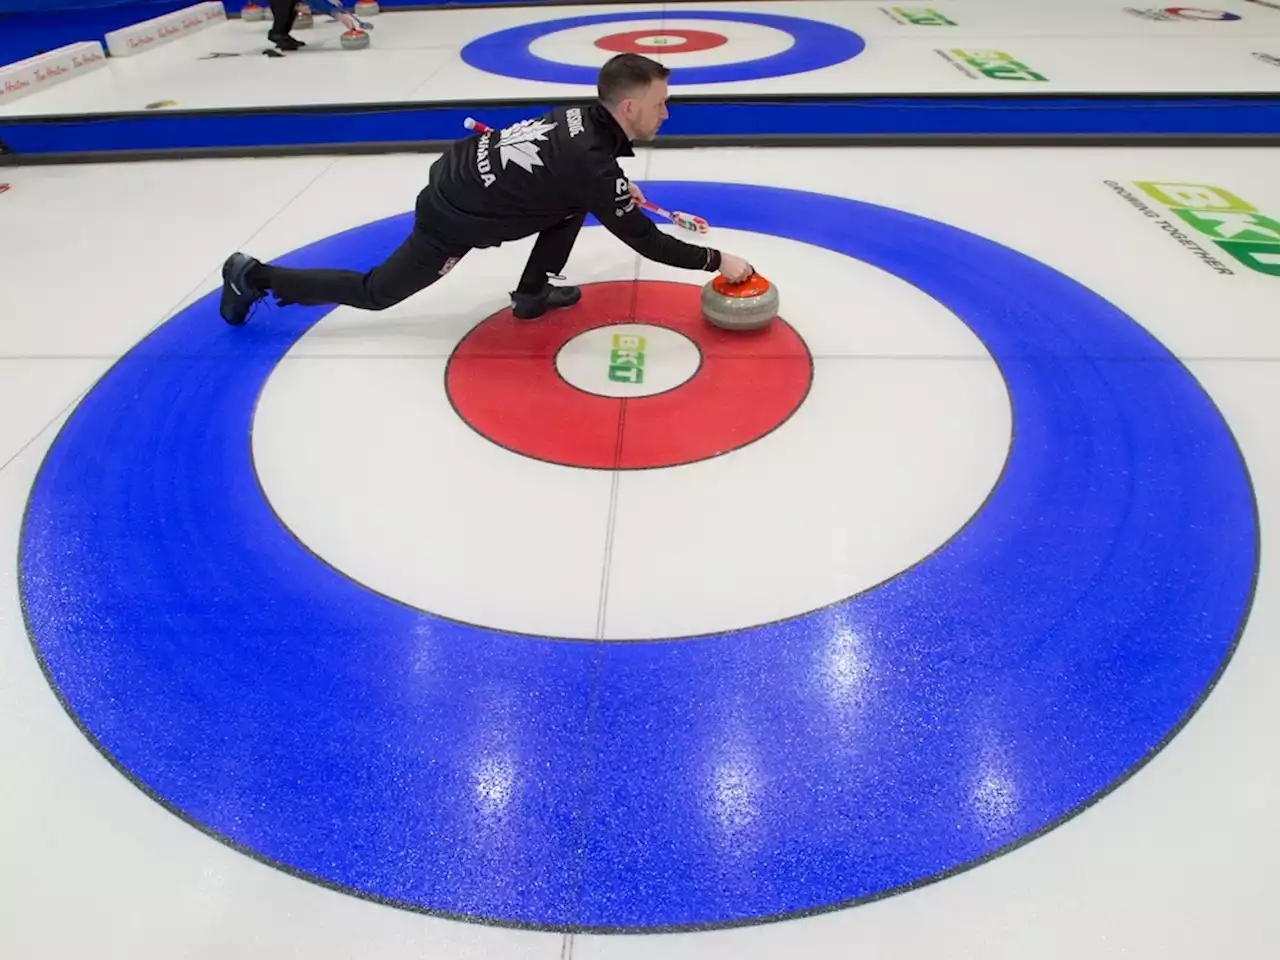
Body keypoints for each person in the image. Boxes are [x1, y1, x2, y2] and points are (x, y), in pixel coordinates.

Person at [217, 53, 754, 326]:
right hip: (452, 215)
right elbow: (646, 241)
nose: (667, 114)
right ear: (630, 108)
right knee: (377, 292)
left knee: (569, 207)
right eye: (661, 104)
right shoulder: (591, 162)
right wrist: (717, 260)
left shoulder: (582, 118)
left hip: (460, 176)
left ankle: (532, 295)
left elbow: (566, 172)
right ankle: (251, 276)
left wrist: (610, 188)